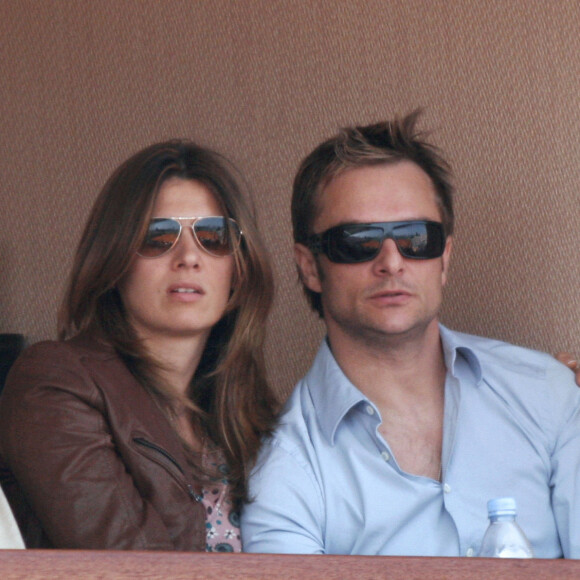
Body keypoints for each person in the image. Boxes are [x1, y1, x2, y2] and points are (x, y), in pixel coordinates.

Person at [241, 111, 580, 558]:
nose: (391, 262)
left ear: (444, 257)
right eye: (358, 241)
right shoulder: (284, 468)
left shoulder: (548, 394)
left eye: (416, 238)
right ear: (309, 267)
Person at [0, 140, 276, 551]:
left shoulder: (249, 409)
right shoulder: (55, 381)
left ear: (238, 265)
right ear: (114, 259)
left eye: (213, 236)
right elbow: (129, 568)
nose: (189, 256)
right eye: (158, 235)